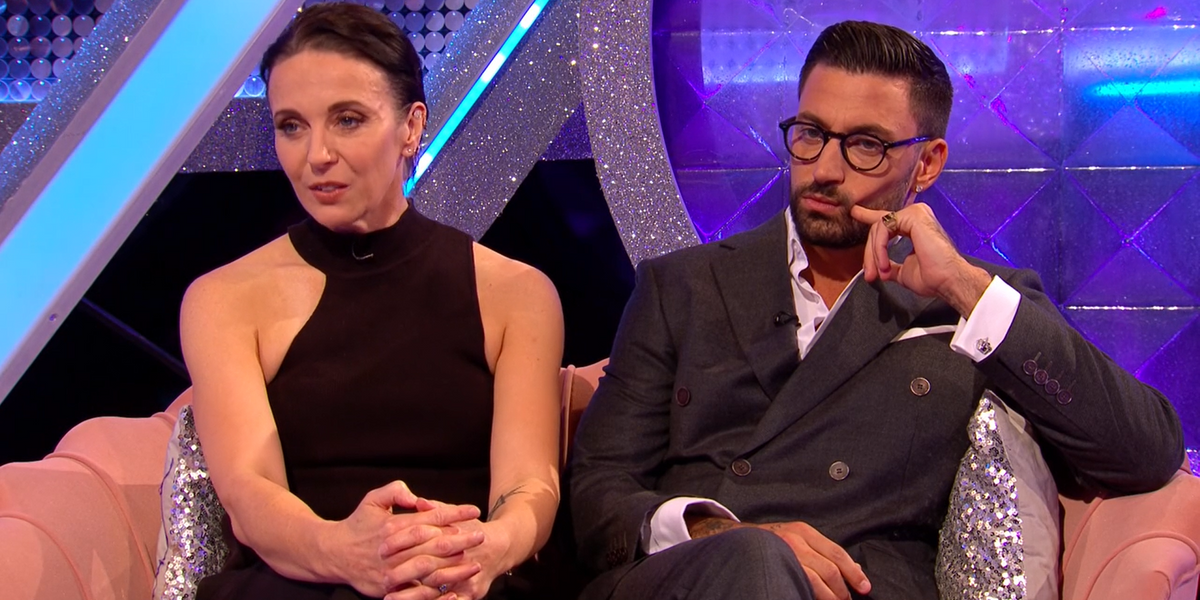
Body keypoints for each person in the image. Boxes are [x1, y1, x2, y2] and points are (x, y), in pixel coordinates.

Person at [568, 20, 1185, 600]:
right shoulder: (682, 285)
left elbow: (1147, 449)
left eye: (865, 145)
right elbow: (598, 492)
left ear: (928, 163)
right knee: (753, 560)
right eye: (810, 134)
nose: (824, 170)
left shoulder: (976, 302)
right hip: (694, 579)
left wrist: (963, 287)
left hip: (860, 586)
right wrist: (715, 531)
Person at [181, 4, 564, 599]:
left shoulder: (516, 293)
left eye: (347, 120)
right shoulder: (222, 300)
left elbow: (528, 486)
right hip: (298, 583)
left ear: (411, 127)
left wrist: (482, 554)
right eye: (291, 126)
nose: (316, 155)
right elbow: (249, 494)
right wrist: (348, 554)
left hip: (462, 582)